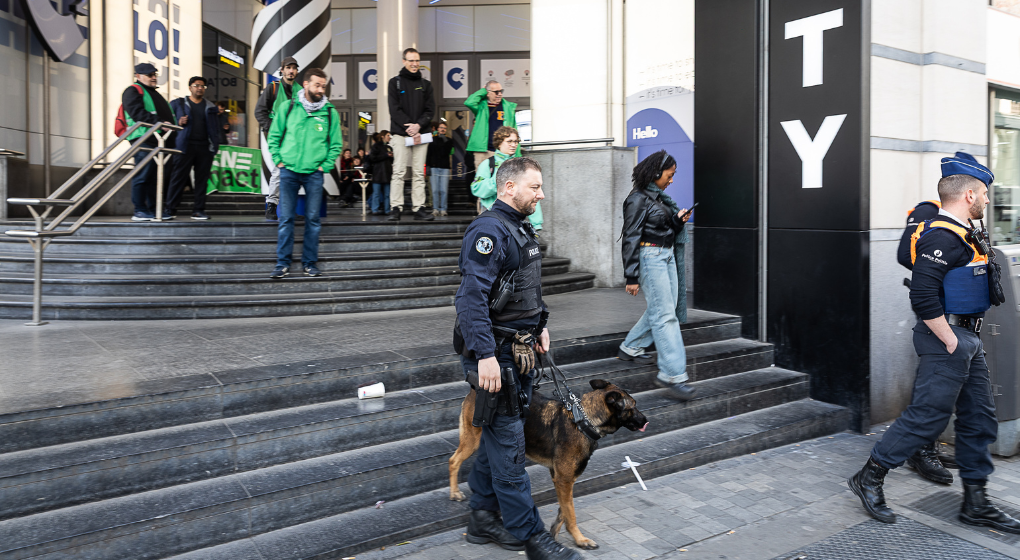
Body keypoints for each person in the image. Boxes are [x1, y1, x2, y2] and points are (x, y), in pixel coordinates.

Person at [847, 153, 1020, 533]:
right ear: (969, 195)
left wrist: (965, 342)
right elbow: (923, 297)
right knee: (926, 417)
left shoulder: (964, 231)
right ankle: (869, 478)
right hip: (947, 338)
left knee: (979, 419)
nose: (989, 200)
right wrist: (952, 342)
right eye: (985, 194)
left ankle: (976, 502)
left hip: (966, 337)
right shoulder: (940, 236)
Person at [454, 157, 580, 560]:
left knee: (498, 443)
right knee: (510, 451)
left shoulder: (519, 228)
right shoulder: (488, 230)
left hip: (520, 353)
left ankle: (483, 519)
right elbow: (470, 298)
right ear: (509, 188)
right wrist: (485, 356)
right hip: (498, 360)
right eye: (535, 187)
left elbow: (525, 289)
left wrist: (538, 326)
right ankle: (535, 541)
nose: (541, 194)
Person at [618, 150, 695, 401]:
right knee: (665, 316)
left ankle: (630, 347)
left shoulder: (658, 198)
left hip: (666, 255)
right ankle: (673, 375)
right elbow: (630, 237)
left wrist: (677, 219)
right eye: (669, 175)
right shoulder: (637, 199)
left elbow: (663, 227)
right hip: (650, 257)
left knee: (666, 308)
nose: (671, 180)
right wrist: (631, 276)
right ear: (656, 173)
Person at [894, 195, 956, 485]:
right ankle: (920, 449)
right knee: (932, 379)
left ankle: (928, 443)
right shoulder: (928, 211)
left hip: (955, 309)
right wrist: (939, 274)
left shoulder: (952, 215)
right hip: (935, 310)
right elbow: (905, 255)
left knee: (945, 380)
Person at [267, 68, 341, 279]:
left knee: (313, 219)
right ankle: (282, 263)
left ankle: (309, 263)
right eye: (317, 85)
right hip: (289, 171)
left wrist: (324, 166)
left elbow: (335, 144)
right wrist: (279, 160)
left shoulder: (329, 111)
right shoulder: (288, 107)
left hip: (314, 174)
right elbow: (274, 136)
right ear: (306, 84)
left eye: (323, 86)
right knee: (286, 218)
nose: (320, 89)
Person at [122, 63, 176, 222]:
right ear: (138, 76)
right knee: (143, 175)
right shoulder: (132, 91)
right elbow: (137, 113)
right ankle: (139, 210)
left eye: (154, 74)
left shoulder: (154, 93)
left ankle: (154, 209)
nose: (153, 77)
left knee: (155, 178)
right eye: (149, 75)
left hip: (159, 141)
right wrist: (160, 122)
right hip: (144, 139)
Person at [387, 47, 435, 222]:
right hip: (401, 133)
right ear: (404, 61)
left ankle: (419, 207)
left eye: (417, 61)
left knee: (418, 173)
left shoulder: (426, 85)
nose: (415, 64)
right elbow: (394, 109)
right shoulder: (395, 83)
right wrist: (410, 128)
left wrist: (418, 126)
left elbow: (431, 110)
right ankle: (395, 208)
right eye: (411, 60)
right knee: (398, 171)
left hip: (421, 134)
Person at [166, 76, 221, 220]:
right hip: (184, 146)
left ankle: (198, 210)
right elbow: (166, 121)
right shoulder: (178, 104)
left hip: (204, 148)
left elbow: (216, 128)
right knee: (178, 178)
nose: (200, 88)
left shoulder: (210, 107)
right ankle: (170, 209)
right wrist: (178, 122)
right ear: (190, 87)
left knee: (201, 180)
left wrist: (215, 145)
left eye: (203, 86)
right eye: (197, 85)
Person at [255, 57, 302, 221]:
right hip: (278, 135)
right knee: (280, 168)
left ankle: (284, 208)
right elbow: (259, 111)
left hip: (294, 137)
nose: (291, 71)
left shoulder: (301, 91)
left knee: (292, 172)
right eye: (288, 67)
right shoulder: (272, 88)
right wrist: (271, 128)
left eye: (294, 68)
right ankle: (272, 206)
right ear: (282, 70)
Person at [471, 126, 542, 230]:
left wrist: (536, 223)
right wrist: (499, 179)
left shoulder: (521, 166)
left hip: (515, 218)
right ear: (499, 143)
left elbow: (532, 192)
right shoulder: (488, 164)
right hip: (492, 217)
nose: (513, 145)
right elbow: (477, 189)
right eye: (509, 141)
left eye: (516, 141)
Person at [465, 80, 518, 169]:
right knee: (482, 179)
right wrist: (482, 91)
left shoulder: (508, 107)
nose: (500, 94)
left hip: (502, 151)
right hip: (483, 151)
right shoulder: (481, 106)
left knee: (503, 179)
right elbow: (469, 102)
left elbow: (514, 130)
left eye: (501, 91)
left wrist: (517, 152)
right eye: (496, 92)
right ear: (488, 93)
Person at [428, 121, 453, 217]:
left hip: (445, 167)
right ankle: (435, 208)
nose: (443, 129)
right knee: (435, 190)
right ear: (437, 129)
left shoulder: (449, 140)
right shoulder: (432, 140)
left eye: (444, 128)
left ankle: (443, 209)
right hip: (434, 167)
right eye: (441, 127)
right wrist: (428, 166)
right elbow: (429, 154)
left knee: (443, 190)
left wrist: (444, 140)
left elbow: (445, 152)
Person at [367, 131, 393, 216]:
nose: (390, 137)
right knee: (377, 194)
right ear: (383, 136)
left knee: (386, 194)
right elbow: (372, 158)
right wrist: (386, 155)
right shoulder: (376, 146)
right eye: (388, 135)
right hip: (378, 173)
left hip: (386, 173)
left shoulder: (389, 147)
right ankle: (376, 209)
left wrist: (392, 157)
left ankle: (386, 210)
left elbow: (392, 161)